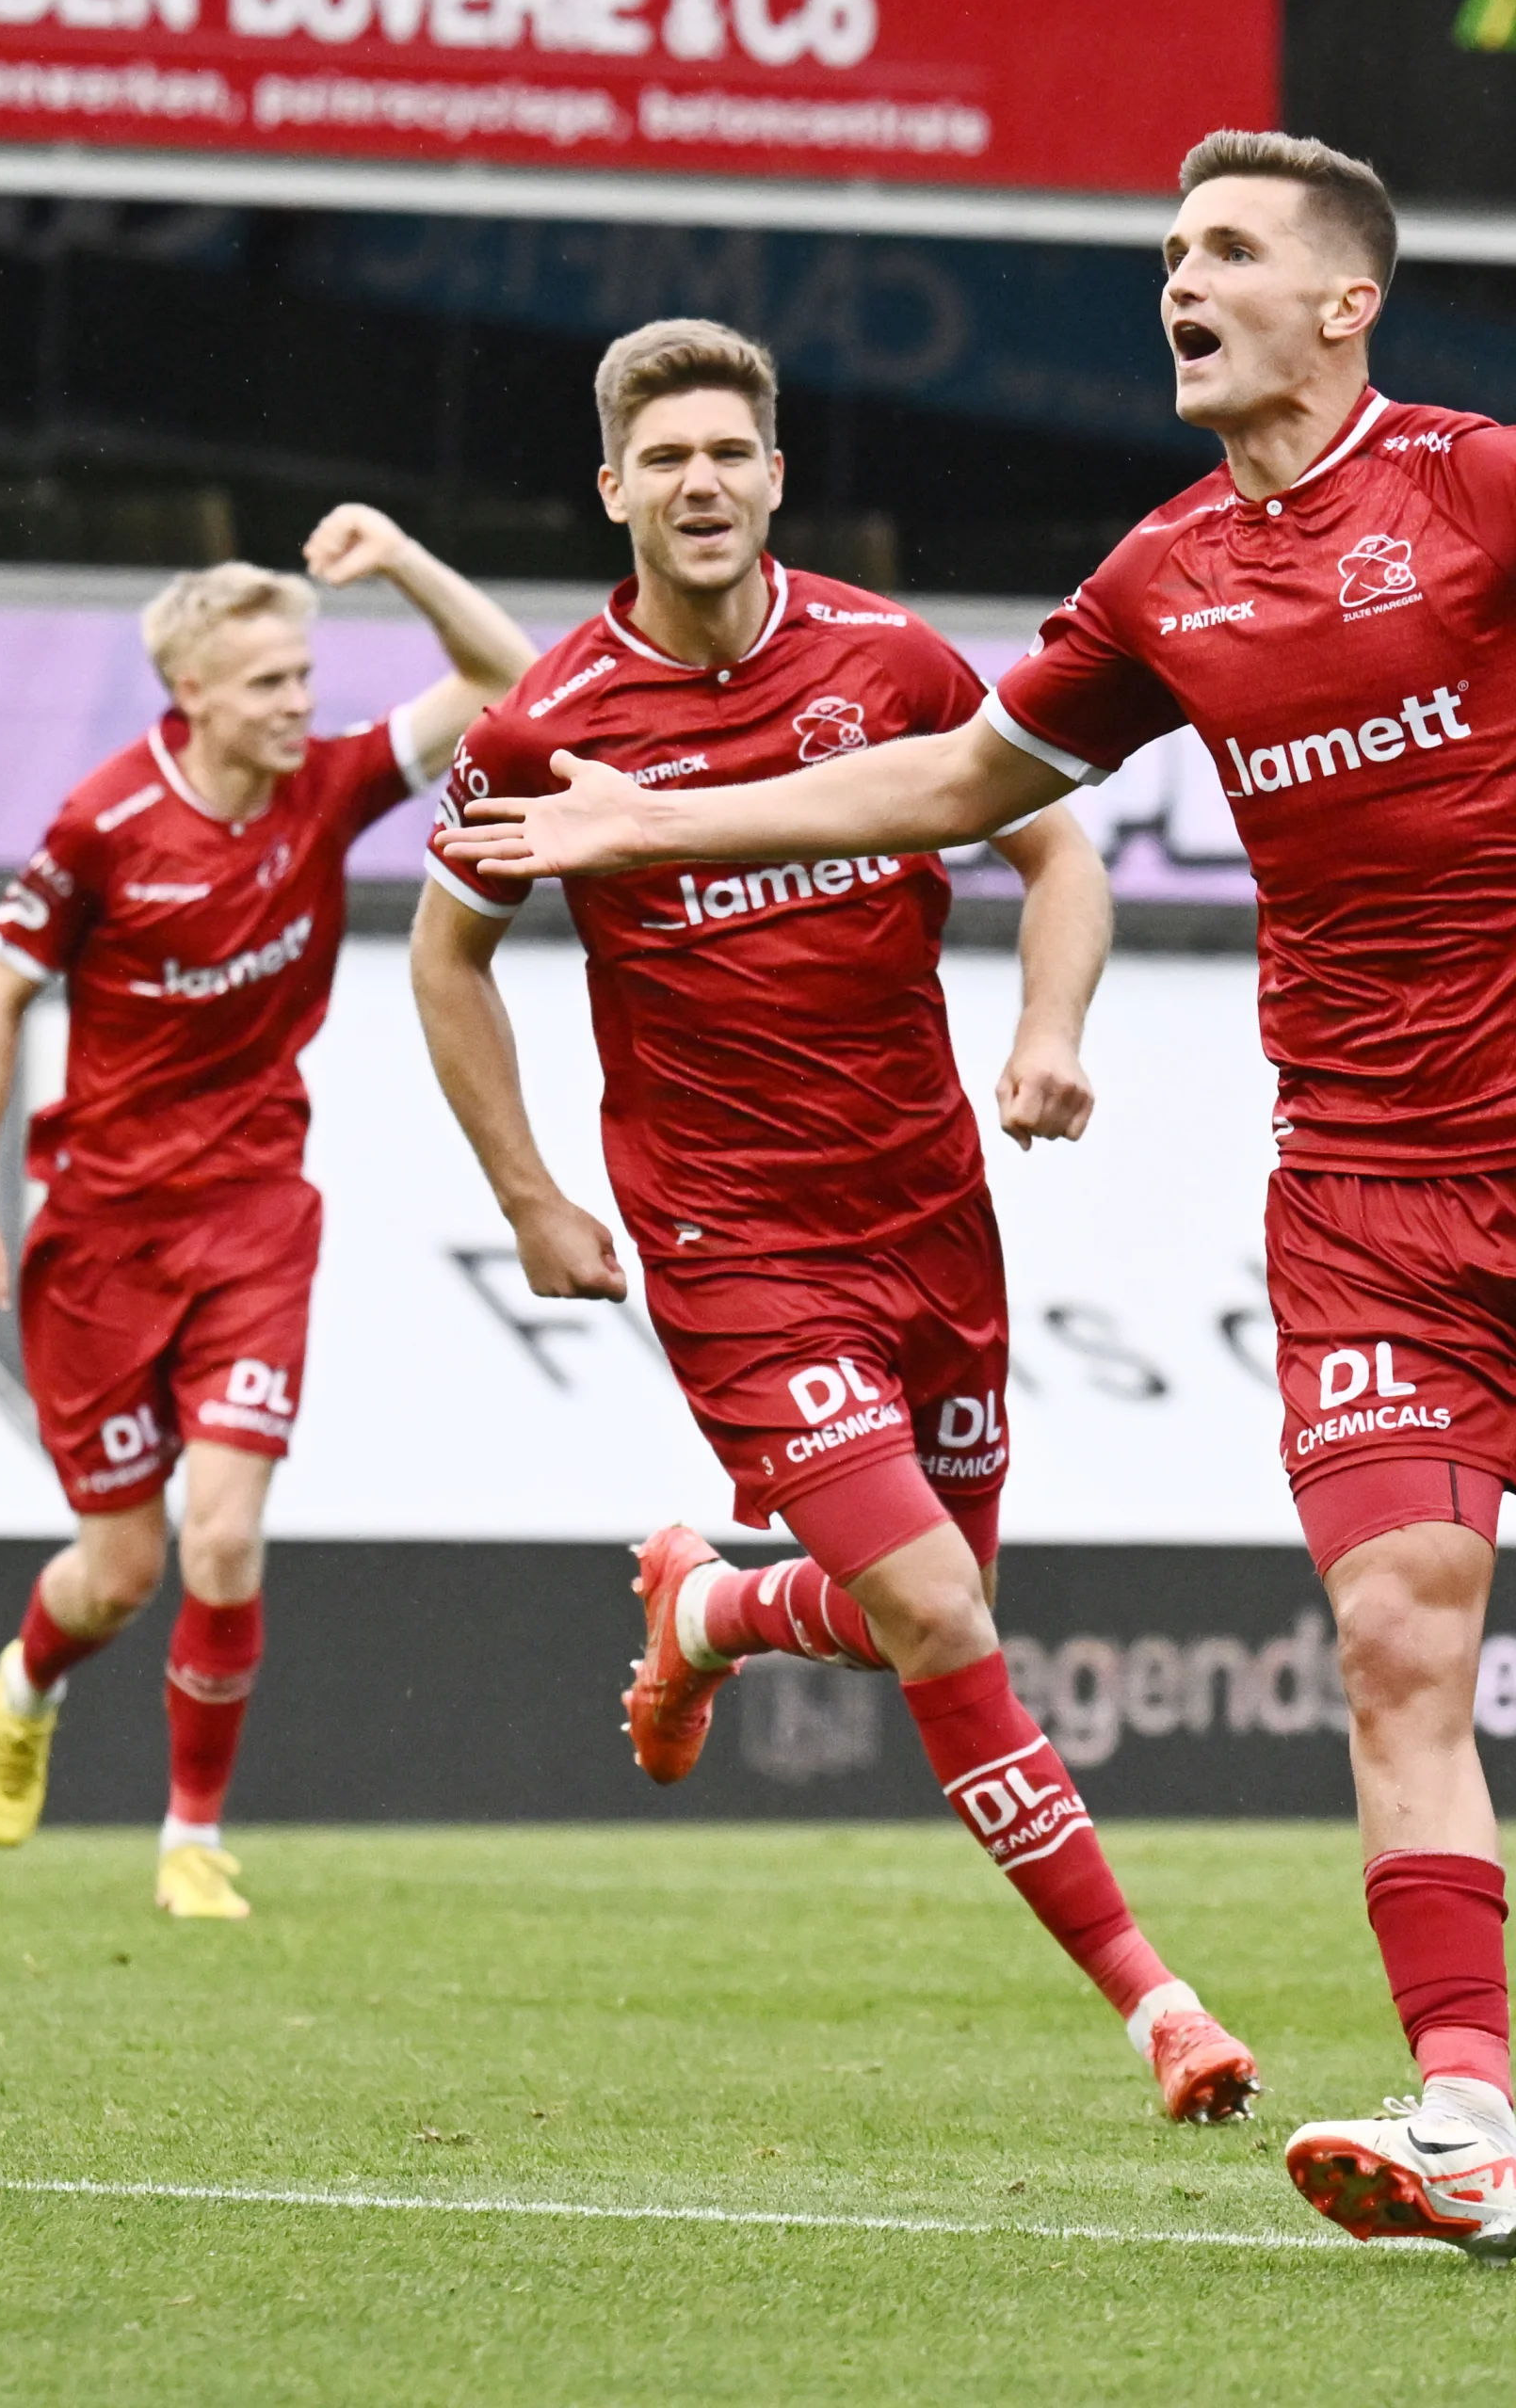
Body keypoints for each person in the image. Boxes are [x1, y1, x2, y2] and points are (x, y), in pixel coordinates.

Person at [442, 132, 1516, 2257]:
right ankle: (1469, 2108)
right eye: (1167, 248)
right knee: (1400, 1631)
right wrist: (658, 820)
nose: (1176, 280)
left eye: (1221, 250)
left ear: (1342, 298)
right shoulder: (1159, 578)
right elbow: (958, 783)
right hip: (1366, 1192)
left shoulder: (1495, 483)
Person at [410, 319, 1257, 2125]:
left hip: (931, 1209)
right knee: (945, 1611)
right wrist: (534, 1193)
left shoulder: (890, 660)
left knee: (909, 1623)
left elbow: (1061, 854)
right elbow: (446, 958)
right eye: (668, 458)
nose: (701, 482)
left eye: (732, 451)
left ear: (776, 474)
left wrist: (1047, 1029)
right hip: (734, 1247)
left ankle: (706, 1610)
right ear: (615, 489)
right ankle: (1159, 2008)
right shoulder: (543, 729)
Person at [0, 516, 535, 1918]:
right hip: (99, 1238)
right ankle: (27, 1680)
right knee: (122, 1571)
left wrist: (396, 561)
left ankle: (189, 1838)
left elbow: (510, 681)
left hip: (257, 1215)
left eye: (303, 672)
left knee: (222, 1538)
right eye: (267, 681)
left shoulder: (326, 788)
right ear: (192, 694)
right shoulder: (101, 829)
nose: (299, 702)